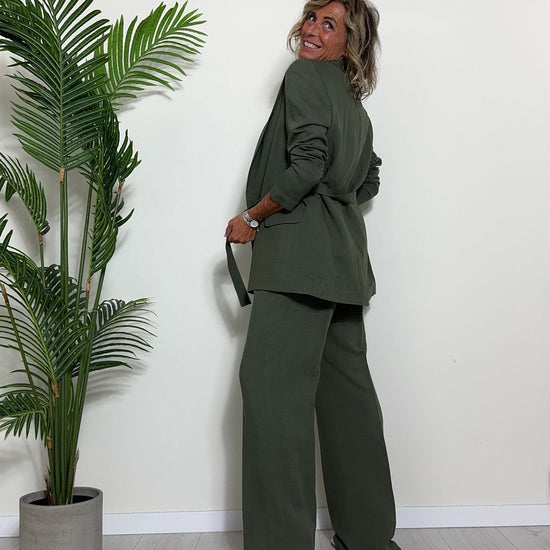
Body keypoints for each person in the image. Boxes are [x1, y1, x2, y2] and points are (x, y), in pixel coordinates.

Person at [225, 1, 401, 549]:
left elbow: (306, 164)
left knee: (273, 397)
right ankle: (369, 538)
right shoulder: (355, 107)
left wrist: (252, 217)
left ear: (350, 43)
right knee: (348, 401)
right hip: (344, 264)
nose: (313, 30)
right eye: (312, 18)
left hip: (297, 265)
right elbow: (368, 179)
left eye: (331, 25)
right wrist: (336, 197)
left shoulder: (304, 77)